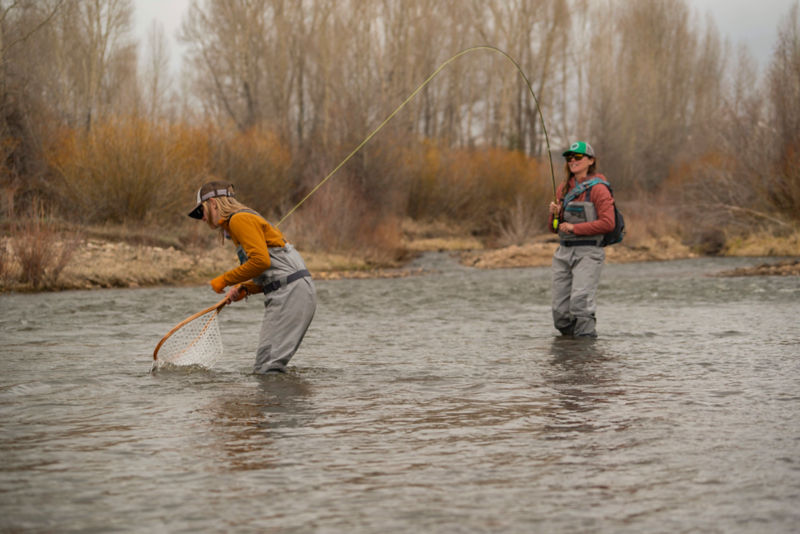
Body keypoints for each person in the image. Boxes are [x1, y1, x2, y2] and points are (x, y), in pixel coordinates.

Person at [188, 180, 316, 373]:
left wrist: (224, 280)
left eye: (201, 212)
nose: (202, 219)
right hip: (293, 291)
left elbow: (260, 262)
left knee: (267, 367)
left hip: (291, 293)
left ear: (213, 203)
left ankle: (280, 403)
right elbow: (273, 272)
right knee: (267, 365)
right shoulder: (239, 223)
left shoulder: (239, 220)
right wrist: (246, 288)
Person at [547, 141, 615, 338]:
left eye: (578, 157)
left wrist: (575, 228)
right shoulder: (562, 189)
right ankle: (570, 353)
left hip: (589, 252)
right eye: (569, 158)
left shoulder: (599, 189)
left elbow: (608, 223)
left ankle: (585, 355)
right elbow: (553, 229)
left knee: (580, 304)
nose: (572, 161)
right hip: (563, 253)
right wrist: (554, 215)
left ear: (590, 161)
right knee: (560, 313)